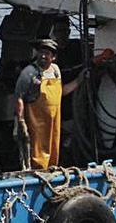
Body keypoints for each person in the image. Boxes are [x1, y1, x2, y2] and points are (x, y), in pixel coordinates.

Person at [13, 39, 82, 170]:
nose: (43, 56)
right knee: (36, 150)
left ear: (53, 57)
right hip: (36, 122)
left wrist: (79, 81)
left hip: (53, 121)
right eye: (41, 52)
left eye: (47, 53)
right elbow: (19, 98)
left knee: (53, 146)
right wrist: (21, 122)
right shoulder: (29, 72)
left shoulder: (55, 70)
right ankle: (36, 171)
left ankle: (51, 169)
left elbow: (61, 92)